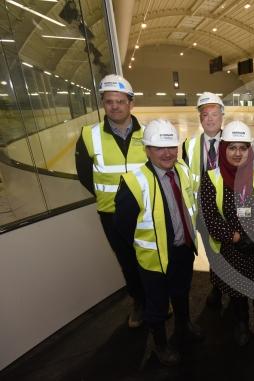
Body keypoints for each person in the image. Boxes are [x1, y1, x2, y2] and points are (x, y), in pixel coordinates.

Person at [114, 119, 203, 366]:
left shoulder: (183, 170)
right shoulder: (135, 182)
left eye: (172, 147)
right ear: (147, 150)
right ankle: (161, 345)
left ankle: (184, 325)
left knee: (182, 293)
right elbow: (123, 227)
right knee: (157, 306)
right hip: (155, 261)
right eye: (159, 148)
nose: (167, 153)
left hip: (183, 250)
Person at [199, 120, 254, 346]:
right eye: (232, 147)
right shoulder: (211, 178)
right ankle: (241, 322)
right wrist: (235, 237)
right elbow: (210, 217)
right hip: (232, 247)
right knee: (237, 290)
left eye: (243, 148)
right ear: (224, 148)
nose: (237, 153)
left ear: (249, 150)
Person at [75, 74, 147, 328]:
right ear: (103, 104)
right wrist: (110, 196)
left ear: (131, 103)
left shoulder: (148, 134)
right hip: (112, 213)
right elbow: (85, 175)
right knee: (127, 261)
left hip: (146, 211)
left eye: (120, 101)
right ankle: (139, 302)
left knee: (152, 258)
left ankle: (158, 298)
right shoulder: (89, 135)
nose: (114, 106)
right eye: (109, 101)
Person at [182, 91, 225, 308]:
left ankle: (234, 288)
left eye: (214, 114)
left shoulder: (234, 142)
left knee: (231, 252)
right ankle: (217, 286)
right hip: (202, 214)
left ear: (222, 116)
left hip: (228, 214)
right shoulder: (188, 146)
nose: (209, 118)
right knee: (213, 254)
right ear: (200, 118)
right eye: (204, 114)